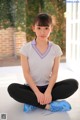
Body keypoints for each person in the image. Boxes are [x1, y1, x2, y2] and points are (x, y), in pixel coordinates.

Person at [7, 13, 78, 112]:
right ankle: (49, 106)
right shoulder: (26, 49)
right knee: (12, 88)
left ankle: (33, 102)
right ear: (33, 28)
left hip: (49, 87)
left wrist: (48, 91)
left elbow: (54, 73)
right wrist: (37, 93)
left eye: (46, 28)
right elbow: (26, 73)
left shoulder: (55, 49)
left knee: (73, 83)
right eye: (39, 28)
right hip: (31, 88)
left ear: (51, 29)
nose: (42, 32)